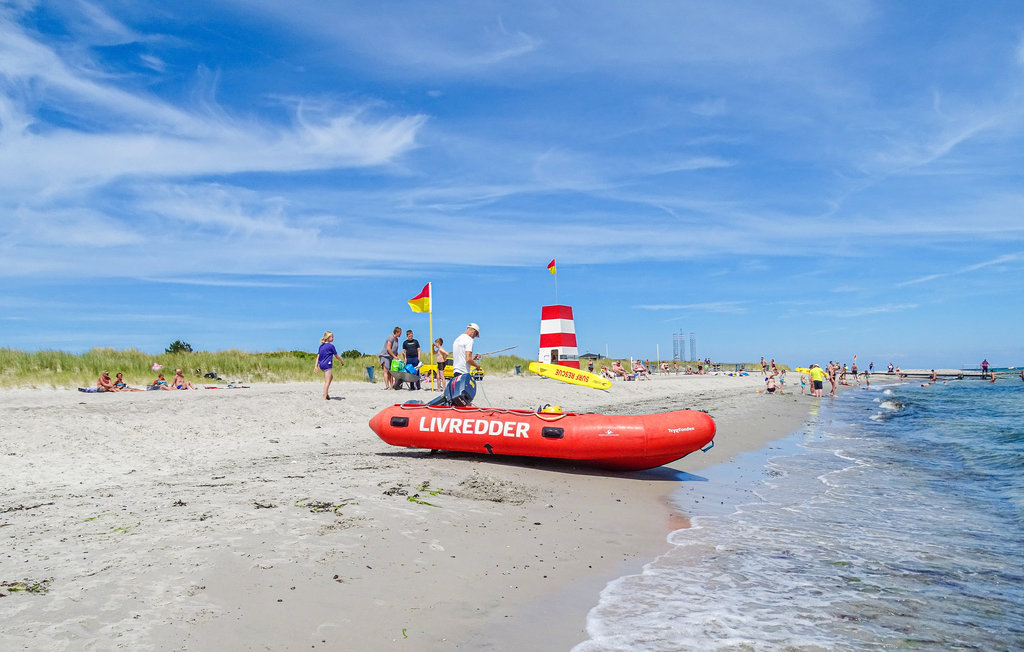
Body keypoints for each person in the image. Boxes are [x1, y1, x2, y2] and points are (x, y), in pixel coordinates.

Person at [315, 331, 344, 400]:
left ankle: (326, 394)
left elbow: (318, 357)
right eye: (332, 337)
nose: (333, 338)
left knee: (331, 377)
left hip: (321, 364)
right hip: (327, 365)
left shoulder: (321, 346)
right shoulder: (331, 346)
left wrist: (316, 366)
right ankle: (324, 397)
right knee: (327, 382)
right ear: (328, 338)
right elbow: (336, 356)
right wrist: (341, 361)